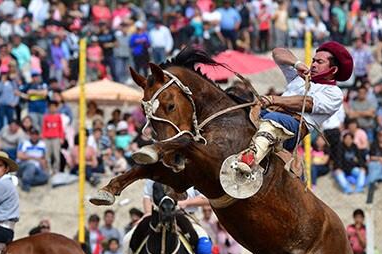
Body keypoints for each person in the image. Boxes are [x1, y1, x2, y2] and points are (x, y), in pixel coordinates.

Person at [131, 42, 353, 179]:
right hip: (268, 113)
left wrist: (274, 99)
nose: (313, 64)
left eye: (319, 62)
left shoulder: (334, 94)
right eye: (313, 59)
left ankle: (249, 160)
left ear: (332, 69)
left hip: (293, 127)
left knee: (272, 121)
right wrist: (297, 64)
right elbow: (277, 52)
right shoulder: (301, 75)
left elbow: (306, 103)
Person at [16, 128, 50, 192]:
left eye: (36, 134)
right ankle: (26, 185)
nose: (34, 136)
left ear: (38, 135)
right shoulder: (24, 143)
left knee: (45, 177)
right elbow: (19, 156)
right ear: (30, 135)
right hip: (25, 166)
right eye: (32, 134)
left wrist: (45, 169)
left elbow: (44, 159)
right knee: (31, 165)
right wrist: (34, 158)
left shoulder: (42, 144)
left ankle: (24, 182)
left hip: (37, 168)